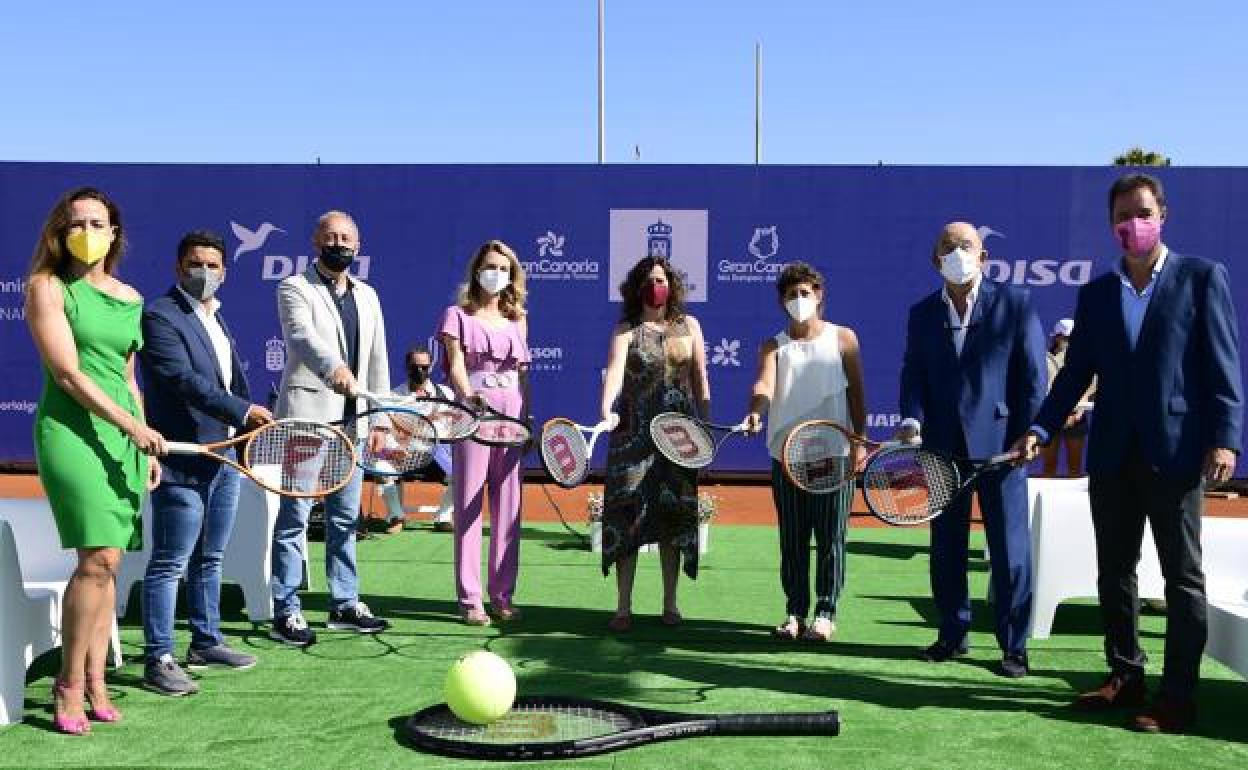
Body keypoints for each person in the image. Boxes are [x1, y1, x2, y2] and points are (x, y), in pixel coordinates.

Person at [1013, 173, 1243, 733]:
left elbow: (1222, 366)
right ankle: (1125, 675)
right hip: (1112, 455)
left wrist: (1225, 439)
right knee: (1115, 572)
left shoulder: (1201, 278)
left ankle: (1179, 696)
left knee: (1182, 578)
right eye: (1123, 215)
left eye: (1142, 212)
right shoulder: (1097, 294)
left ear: (1162, 215)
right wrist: (1040, 428)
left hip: (1177, 455)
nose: (1132, 224)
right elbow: (1074, 377)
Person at [25, 187, 165, 734]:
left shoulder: (129, 297)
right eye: (76, 222)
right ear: (59, 234)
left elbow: (129, 380)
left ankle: (97, 679)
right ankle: (68, 684)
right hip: (71, 434)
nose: (87, 231)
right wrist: (129, 425)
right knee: (97, 558)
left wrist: (142, 436)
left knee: (110, 566)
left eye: (97, 222)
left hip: (122, 439)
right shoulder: (47, 288)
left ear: (115, 233)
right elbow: (68, 374)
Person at [898, 221, 1046, 678]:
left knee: (1009, 552)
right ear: (934, 259)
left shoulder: (1015, 303)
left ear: (983, 256)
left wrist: (1029, 433)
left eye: (966, 246)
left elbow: (1032, 376)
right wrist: (911, 417)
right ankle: (952, 634)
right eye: (948, 246)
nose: (957, 252)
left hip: (1002, 451)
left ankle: (1013, 646)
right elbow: (913, 373)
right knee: (946, 548)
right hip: (943, 450)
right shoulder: (922, 313)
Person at [138, 230, 273, 695]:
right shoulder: (159, 315)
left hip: (223, 456)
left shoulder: (216, 319)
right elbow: (181, 379)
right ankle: (158, 657)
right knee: (169, 563)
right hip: (182, 457)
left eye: (214, 265)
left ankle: (206, 640)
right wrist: (241, 411)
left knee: (209, 558)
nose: (205, 273)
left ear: (225, 272)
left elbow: (232, 382)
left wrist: (242, 427)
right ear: (179, 268)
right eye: (197, 264)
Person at [269, 210, 391, 646]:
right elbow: (302, 337)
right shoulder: (294, 288)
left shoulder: (370, 296)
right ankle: (287, 609)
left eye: (347, 238)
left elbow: (377, 358)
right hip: (307, 419)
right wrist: (335, 369)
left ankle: (343, 603)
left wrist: (376, 418)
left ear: (357, 247)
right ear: (315, 241)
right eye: (331, 236)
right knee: (294, 519)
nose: (339, 243)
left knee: (344, 519)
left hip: (354, 425)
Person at [743, 262, 866, 642]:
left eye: (806, 293)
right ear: (782, 301)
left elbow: (857, 396)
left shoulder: (844, 339)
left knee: (831, 539)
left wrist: (859, 443)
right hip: (788, 458)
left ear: (819, 295)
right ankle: (795, 612)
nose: (799, 300)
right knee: (792, 540)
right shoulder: (773, 346)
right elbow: (764, 384)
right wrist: (755, 411)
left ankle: (825, 614)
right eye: (792, 294)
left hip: (835, 455)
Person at [598, 256, 711, 632]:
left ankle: (670, 604)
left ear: (672, 285)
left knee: (671, 521)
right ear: (636, 287)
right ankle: (622, 608)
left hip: (678, 438)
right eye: (648, 280)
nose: (655, 285)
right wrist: (606, 408)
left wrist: (704, 430)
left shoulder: (689, 326)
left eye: (661, 279)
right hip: (631, 436)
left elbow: (699, 380)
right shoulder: (625, 329)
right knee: (627, 520)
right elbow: (614, 372)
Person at [439, 240, 532, 626]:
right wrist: (469, 396)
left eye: (503, 268)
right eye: (489, 266)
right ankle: (470, 599)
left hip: (510, 414)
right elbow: (457, 365)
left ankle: (503, 595)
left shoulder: (518, 319)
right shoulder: (456, 315)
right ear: (477, 270)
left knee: (508, 508)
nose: (495, 273)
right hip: (475, 412)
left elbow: (523, 376)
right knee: (469, 504)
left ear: (512, 276)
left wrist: (524, 418)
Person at [377, 344, 455, 534]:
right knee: (381, 468)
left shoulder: (445, 394)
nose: (420, 371)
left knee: (462, 474)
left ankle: (443, 517)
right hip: (404, 454)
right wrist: (394, 447)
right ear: (407, 367)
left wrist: (415, 428)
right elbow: (386, 429)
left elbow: (449, 429)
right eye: (415, 367)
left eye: (424, 367)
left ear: (430, 368)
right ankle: (396, 516)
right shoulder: (393, 396)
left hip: (435, 453)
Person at [1040, 318, 1094, 478]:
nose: (1071, 342)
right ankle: (1047, 503)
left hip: (1076, 418)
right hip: (1050, 417)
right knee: (1049, 466)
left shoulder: (1084, 359)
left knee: (1075, 469)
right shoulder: (1042, 358)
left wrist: (1078, 413)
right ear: (1056, 337)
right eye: (1067, 338)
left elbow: (1092, 385)